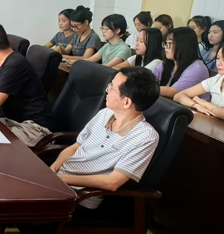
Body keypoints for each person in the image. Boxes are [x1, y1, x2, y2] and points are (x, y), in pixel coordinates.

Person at [50, 67, 160, 210]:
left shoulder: (145, 137)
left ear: (127, 102)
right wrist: (52, 170)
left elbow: (112, 182)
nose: (107, 90)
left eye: (112, 87)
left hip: (80, 197)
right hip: (57, 181)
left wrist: (61, 179)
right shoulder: (105, 113)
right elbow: (76, 146)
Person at [153, 27, 210, 99]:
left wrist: (146, 89)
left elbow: (173, 92)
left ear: (183, 45)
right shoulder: (168, 63)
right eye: (165, 43)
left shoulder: (197, 68)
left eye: (169, 43)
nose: (165, 47)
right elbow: (149, 77)